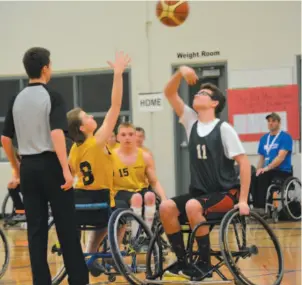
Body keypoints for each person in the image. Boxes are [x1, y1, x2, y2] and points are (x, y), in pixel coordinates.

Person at [1, 47, 89, 285]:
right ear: (45, 68)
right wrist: (65, 169)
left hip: (28, 167)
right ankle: (78, 281)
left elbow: (5, 139)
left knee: (36, 231)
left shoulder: (15, 99)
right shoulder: (52, 96)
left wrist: (17, 168)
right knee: (67, 228)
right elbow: (56, 133)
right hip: (51, 164)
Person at [159, 66, 251, 281]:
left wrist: (244, 200)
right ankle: (183, 261)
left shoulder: (224, 129)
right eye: (197, 92)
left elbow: (244, 164)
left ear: (214, 103)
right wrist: (180, 72)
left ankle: (204, 262)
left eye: (203, 93)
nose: (197, 94)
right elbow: (169, 93)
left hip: (226, 194)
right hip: (199, 194)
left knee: (193, 206)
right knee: (165, 206)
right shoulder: (191, 121)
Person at [67, 51, 130, 277]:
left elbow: (68, 177)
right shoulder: (98, 141)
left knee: (100, 216)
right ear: (83, 128)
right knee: (122, 211)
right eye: (87, 117)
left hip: (81, 208)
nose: (92, 117)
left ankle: (91, 254)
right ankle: (115, 252)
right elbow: (115, 106)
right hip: (103, 204)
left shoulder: (73, 151)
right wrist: (118, 74)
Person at [113, 122, 166, 235]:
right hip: (120, 191)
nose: (127, 138)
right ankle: (135, 237)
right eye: (123, 135)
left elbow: (154, 181)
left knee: (150, 196)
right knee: (137, 198)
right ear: (117, 137)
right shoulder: (111, 157)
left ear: (135, 136)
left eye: (131, 134)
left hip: (139, 189)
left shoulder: (145, 156)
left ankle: (147, 235)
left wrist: (164, 199)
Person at [253, 112, 293, 213]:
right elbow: (261, 158)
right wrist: (258, 170)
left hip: (282, 171)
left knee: (263, 175)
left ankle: (262, 208)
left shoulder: (285, 137)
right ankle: (256, 206)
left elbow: (280, 157)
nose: (270, 123)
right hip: (267, 170)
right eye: (269, 121)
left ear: (279, 123)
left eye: (273, 121)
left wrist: (266, 168)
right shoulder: (264, 139)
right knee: (253, 176)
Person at [7, 147, 26, 222]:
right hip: (22, 183)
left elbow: (28, 177)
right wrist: (12, 181)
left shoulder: (26, 163)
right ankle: (20, 211)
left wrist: (17, 181)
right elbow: (14, 175)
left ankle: (22, 212)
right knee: (11, 188)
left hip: (31, 184)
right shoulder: (16, 163)